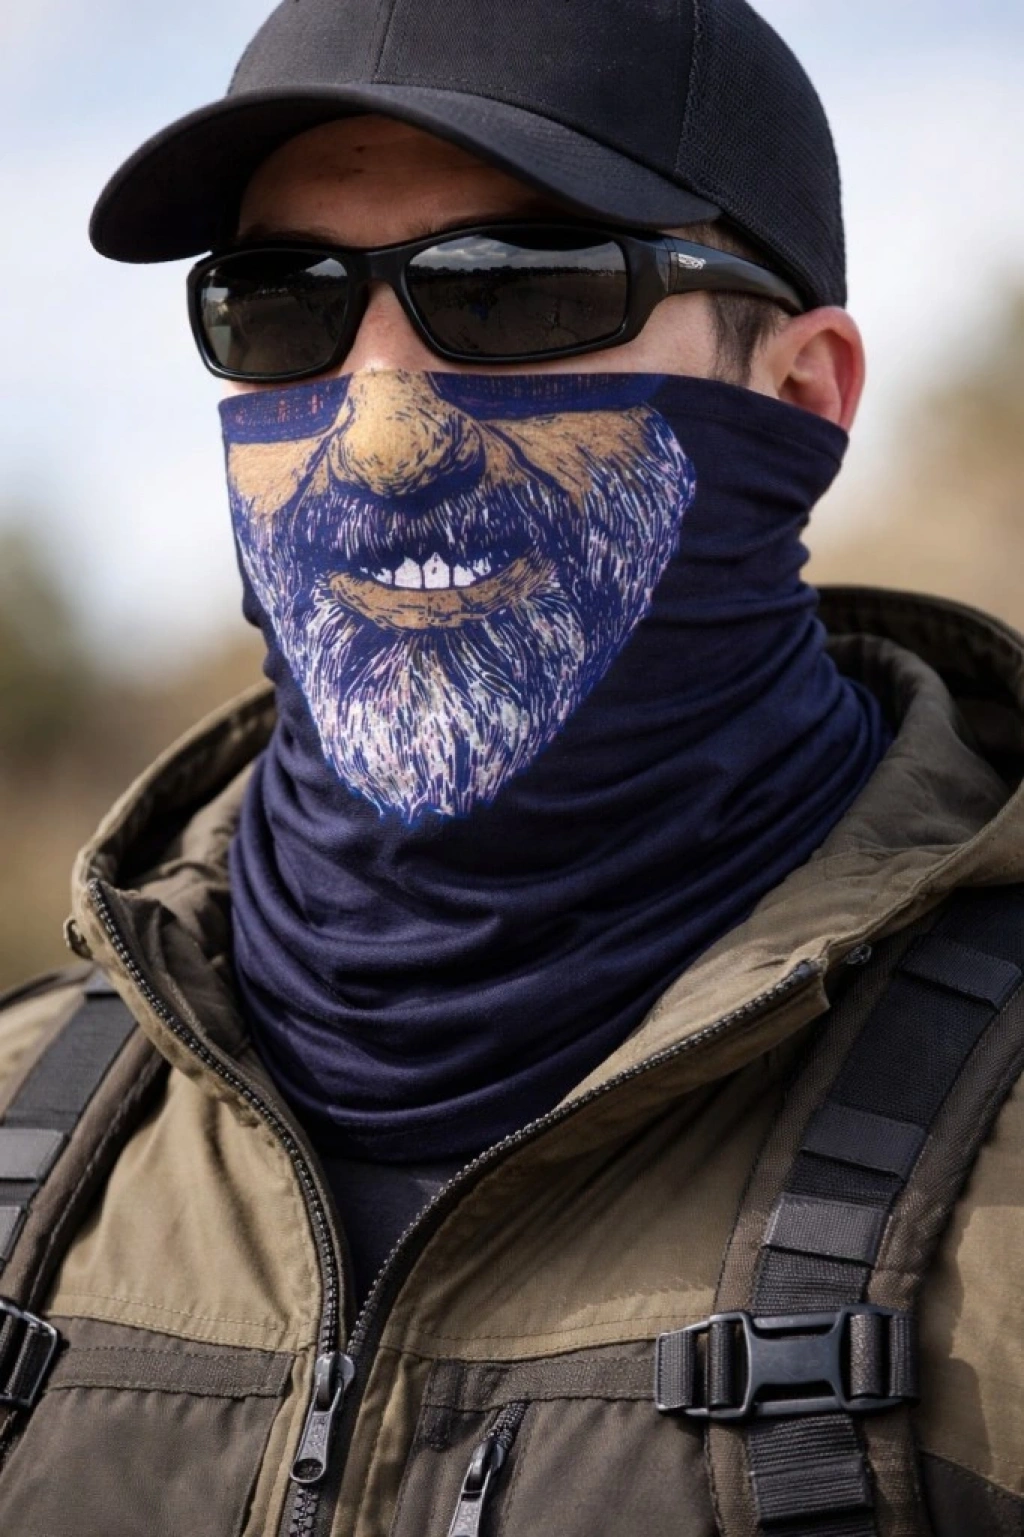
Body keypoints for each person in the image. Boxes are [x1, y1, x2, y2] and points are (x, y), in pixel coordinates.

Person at [0, 0, 1021, 1532]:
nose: (381, 439)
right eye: (281, 304)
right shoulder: (22, 1121)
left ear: (801, 394)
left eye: (519, 287)